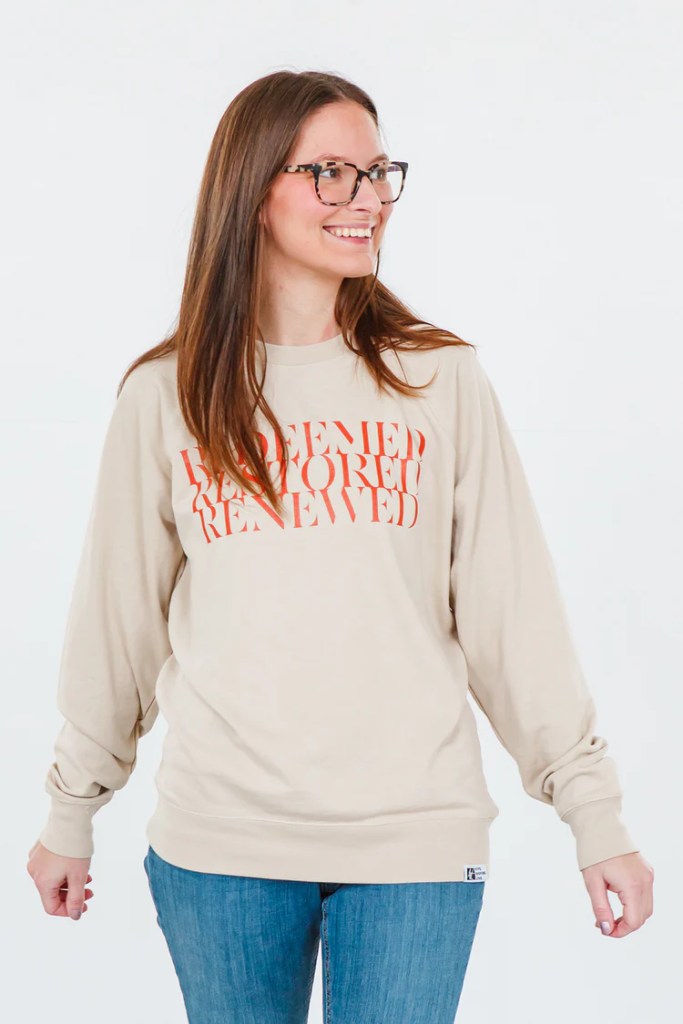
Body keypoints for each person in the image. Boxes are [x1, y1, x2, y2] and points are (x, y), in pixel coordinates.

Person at [27, 69, 654, 1023]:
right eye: (330, 173)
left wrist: (593, 815)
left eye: (377, 173)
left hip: (415, 844)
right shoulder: (167, 396)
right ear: (252, 190)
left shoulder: (438, 381)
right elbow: (116, 625)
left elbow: (511, 617)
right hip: (222, 846)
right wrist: (71, 809)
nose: (366, 199)